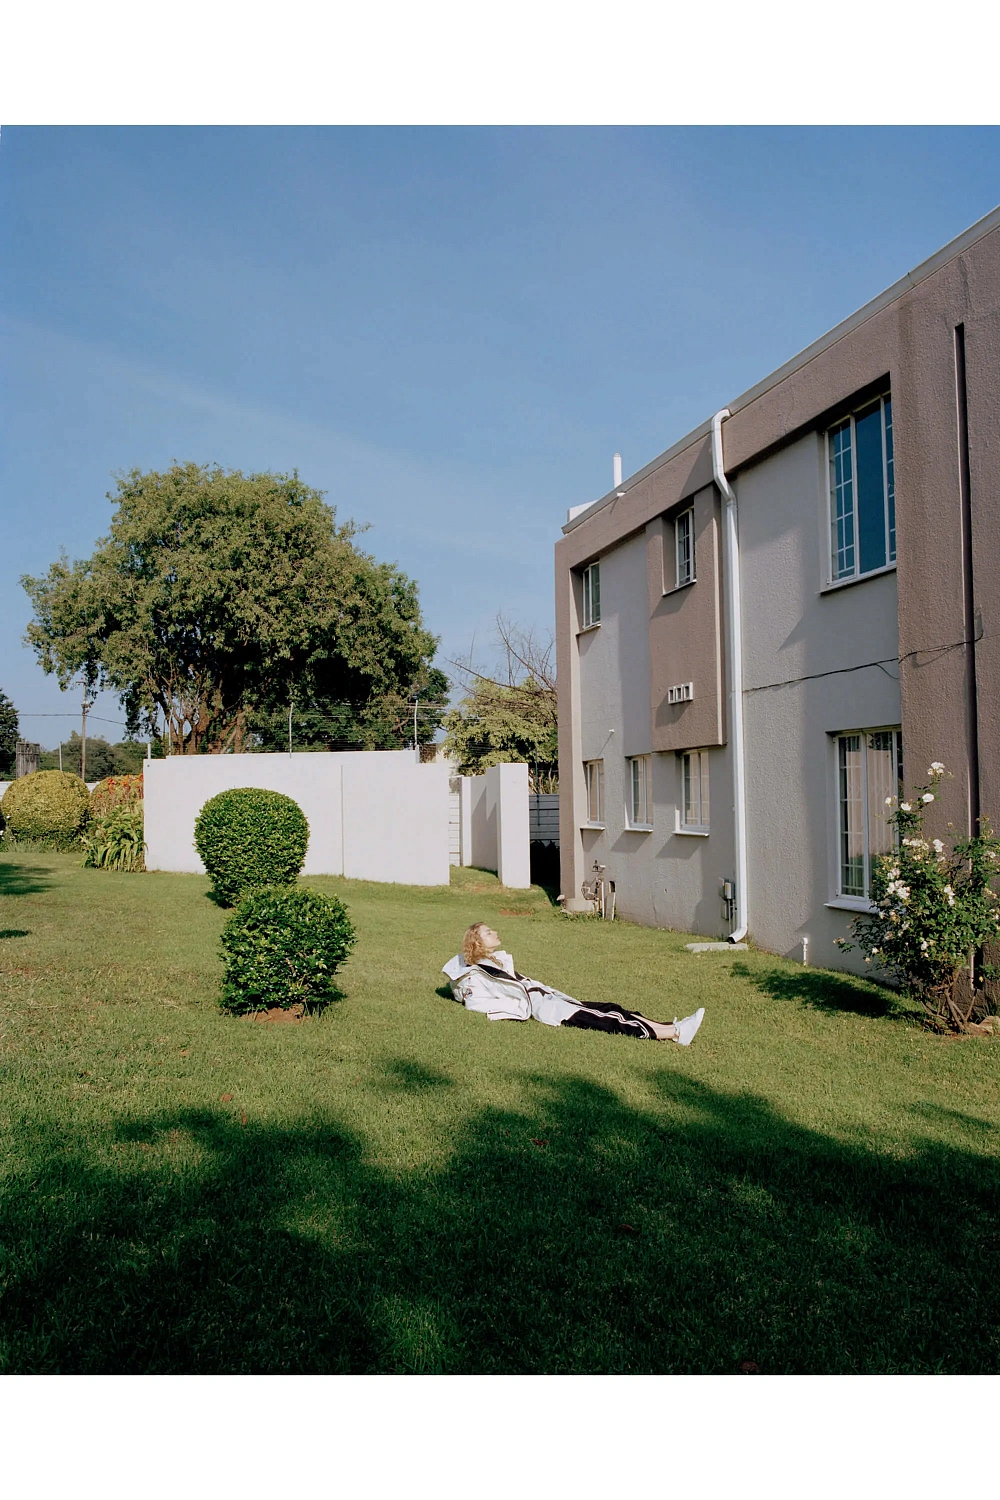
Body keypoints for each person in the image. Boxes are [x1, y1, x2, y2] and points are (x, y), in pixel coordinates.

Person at [442, 922, 705, 1044]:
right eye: (489, 932)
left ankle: (670, 1027)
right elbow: (475, 1003)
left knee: (612, 1008)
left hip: (548, 996)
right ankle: (675, 1033)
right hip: (545, 1007)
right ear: (477, 942)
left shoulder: (495, 960)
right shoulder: (475, 976)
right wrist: (521, 1009)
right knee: (607, 1020)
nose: (496, 932)